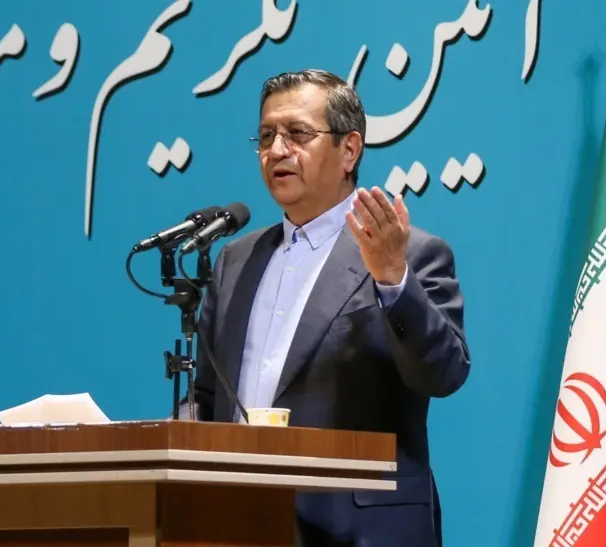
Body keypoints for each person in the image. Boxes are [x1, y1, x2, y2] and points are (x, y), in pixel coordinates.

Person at [184, 69, 470, 546]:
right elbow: (208, 396)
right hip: (240, 523)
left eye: (297, 134)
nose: (277, 151)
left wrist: (393, 279)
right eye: (266, 136)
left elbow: (444, 374)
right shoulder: (236, 260)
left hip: (358, 530)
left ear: (349, 150)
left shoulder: (410, 254)